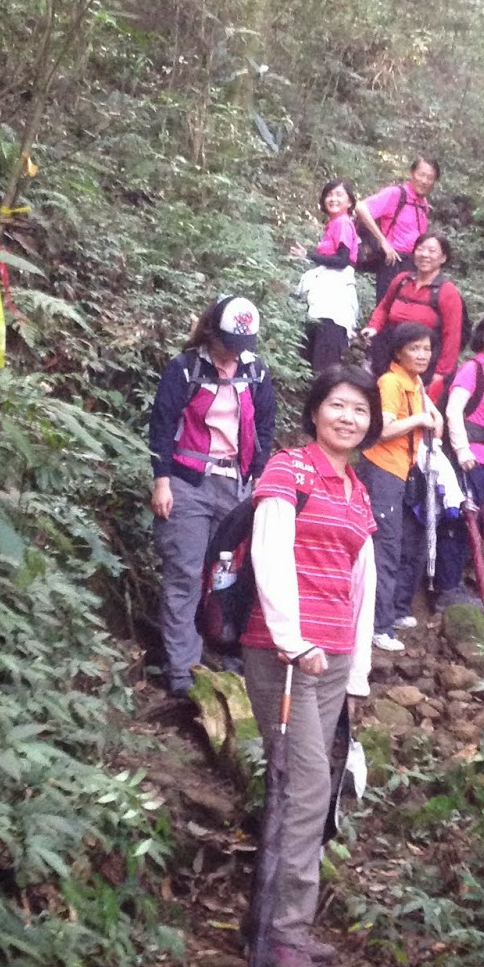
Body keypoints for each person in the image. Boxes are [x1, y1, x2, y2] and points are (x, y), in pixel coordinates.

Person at [240, 366, 380, 967]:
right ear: (316, 411)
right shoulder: (288, 472)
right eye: (338, 405)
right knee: (307, 788)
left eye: (360, 409)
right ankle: (284, 935)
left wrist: (359, 671)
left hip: (334, 660)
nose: (348, 418)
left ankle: (269, 920)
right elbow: (268, 556)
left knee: (303, 790)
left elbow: (362, 584)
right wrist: (293, 641)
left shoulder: (358, 491)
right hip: (286, 658)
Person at [148, 297, 276, 697]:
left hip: (236, 483)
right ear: (211, 333)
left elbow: (265, 426)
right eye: (228, 343)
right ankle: (181, 669)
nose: (235, 352)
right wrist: (162, 482)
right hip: (188, 481)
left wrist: (259, 478)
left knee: (229, 573)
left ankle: (225, 649)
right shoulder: (186, 368)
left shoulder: (255, 371)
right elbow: (162, 425)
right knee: (185, 572)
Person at [354, 323, 443, 654]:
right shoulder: (391, 382)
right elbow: (383, 429)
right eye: (414, 348)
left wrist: (431, 415)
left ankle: (394, 611)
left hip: (403, 469)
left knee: (407, 542)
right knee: (386, 546)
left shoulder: (414, 382)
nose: (422, 355)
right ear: (398, 352)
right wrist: (420, 420)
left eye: (426, 349)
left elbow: (434, 420)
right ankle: (378, 626)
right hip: (382, 469)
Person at [435, 311, 484, 606]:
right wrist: (462, 450)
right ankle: (446, 591)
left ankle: (454, 584)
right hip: (469, 459)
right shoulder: (473, 369)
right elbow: (454, 410)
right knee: (458, 521)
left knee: (470, 523)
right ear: (483, 334)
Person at [363, 232, 465, 399]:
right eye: (420, 249)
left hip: (423, 365)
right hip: (389, 356)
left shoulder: (447, 291)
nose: (424, 254)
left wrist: (440, 374)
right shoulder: (402, 280)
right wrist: (374, 327)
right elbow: (384, 307)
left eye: (432, 251)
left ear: (443, 258)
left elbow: (452, 336)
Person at [291, 178, 360, 372]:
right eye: (329, 194)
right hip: (327, 298)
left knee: (325, 357)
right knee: (315, 353)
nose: (333, 199)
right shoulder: (334, 224)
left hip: (333, 300)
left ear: (349, 201)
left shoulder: (343, 223)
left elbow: (343, 260)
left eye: (339, 195)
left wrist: (309, 255)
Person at [355, 155, 440, 301]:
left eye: (430, 178)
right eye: (421, 175)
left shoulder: (423, 204)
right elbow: (360, 207)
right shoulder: (397, 194)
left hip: (413, 264)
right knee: (388, 307)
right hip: (393, 262)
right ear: (412, 173)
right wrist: (383, 241)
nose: (424, 181)